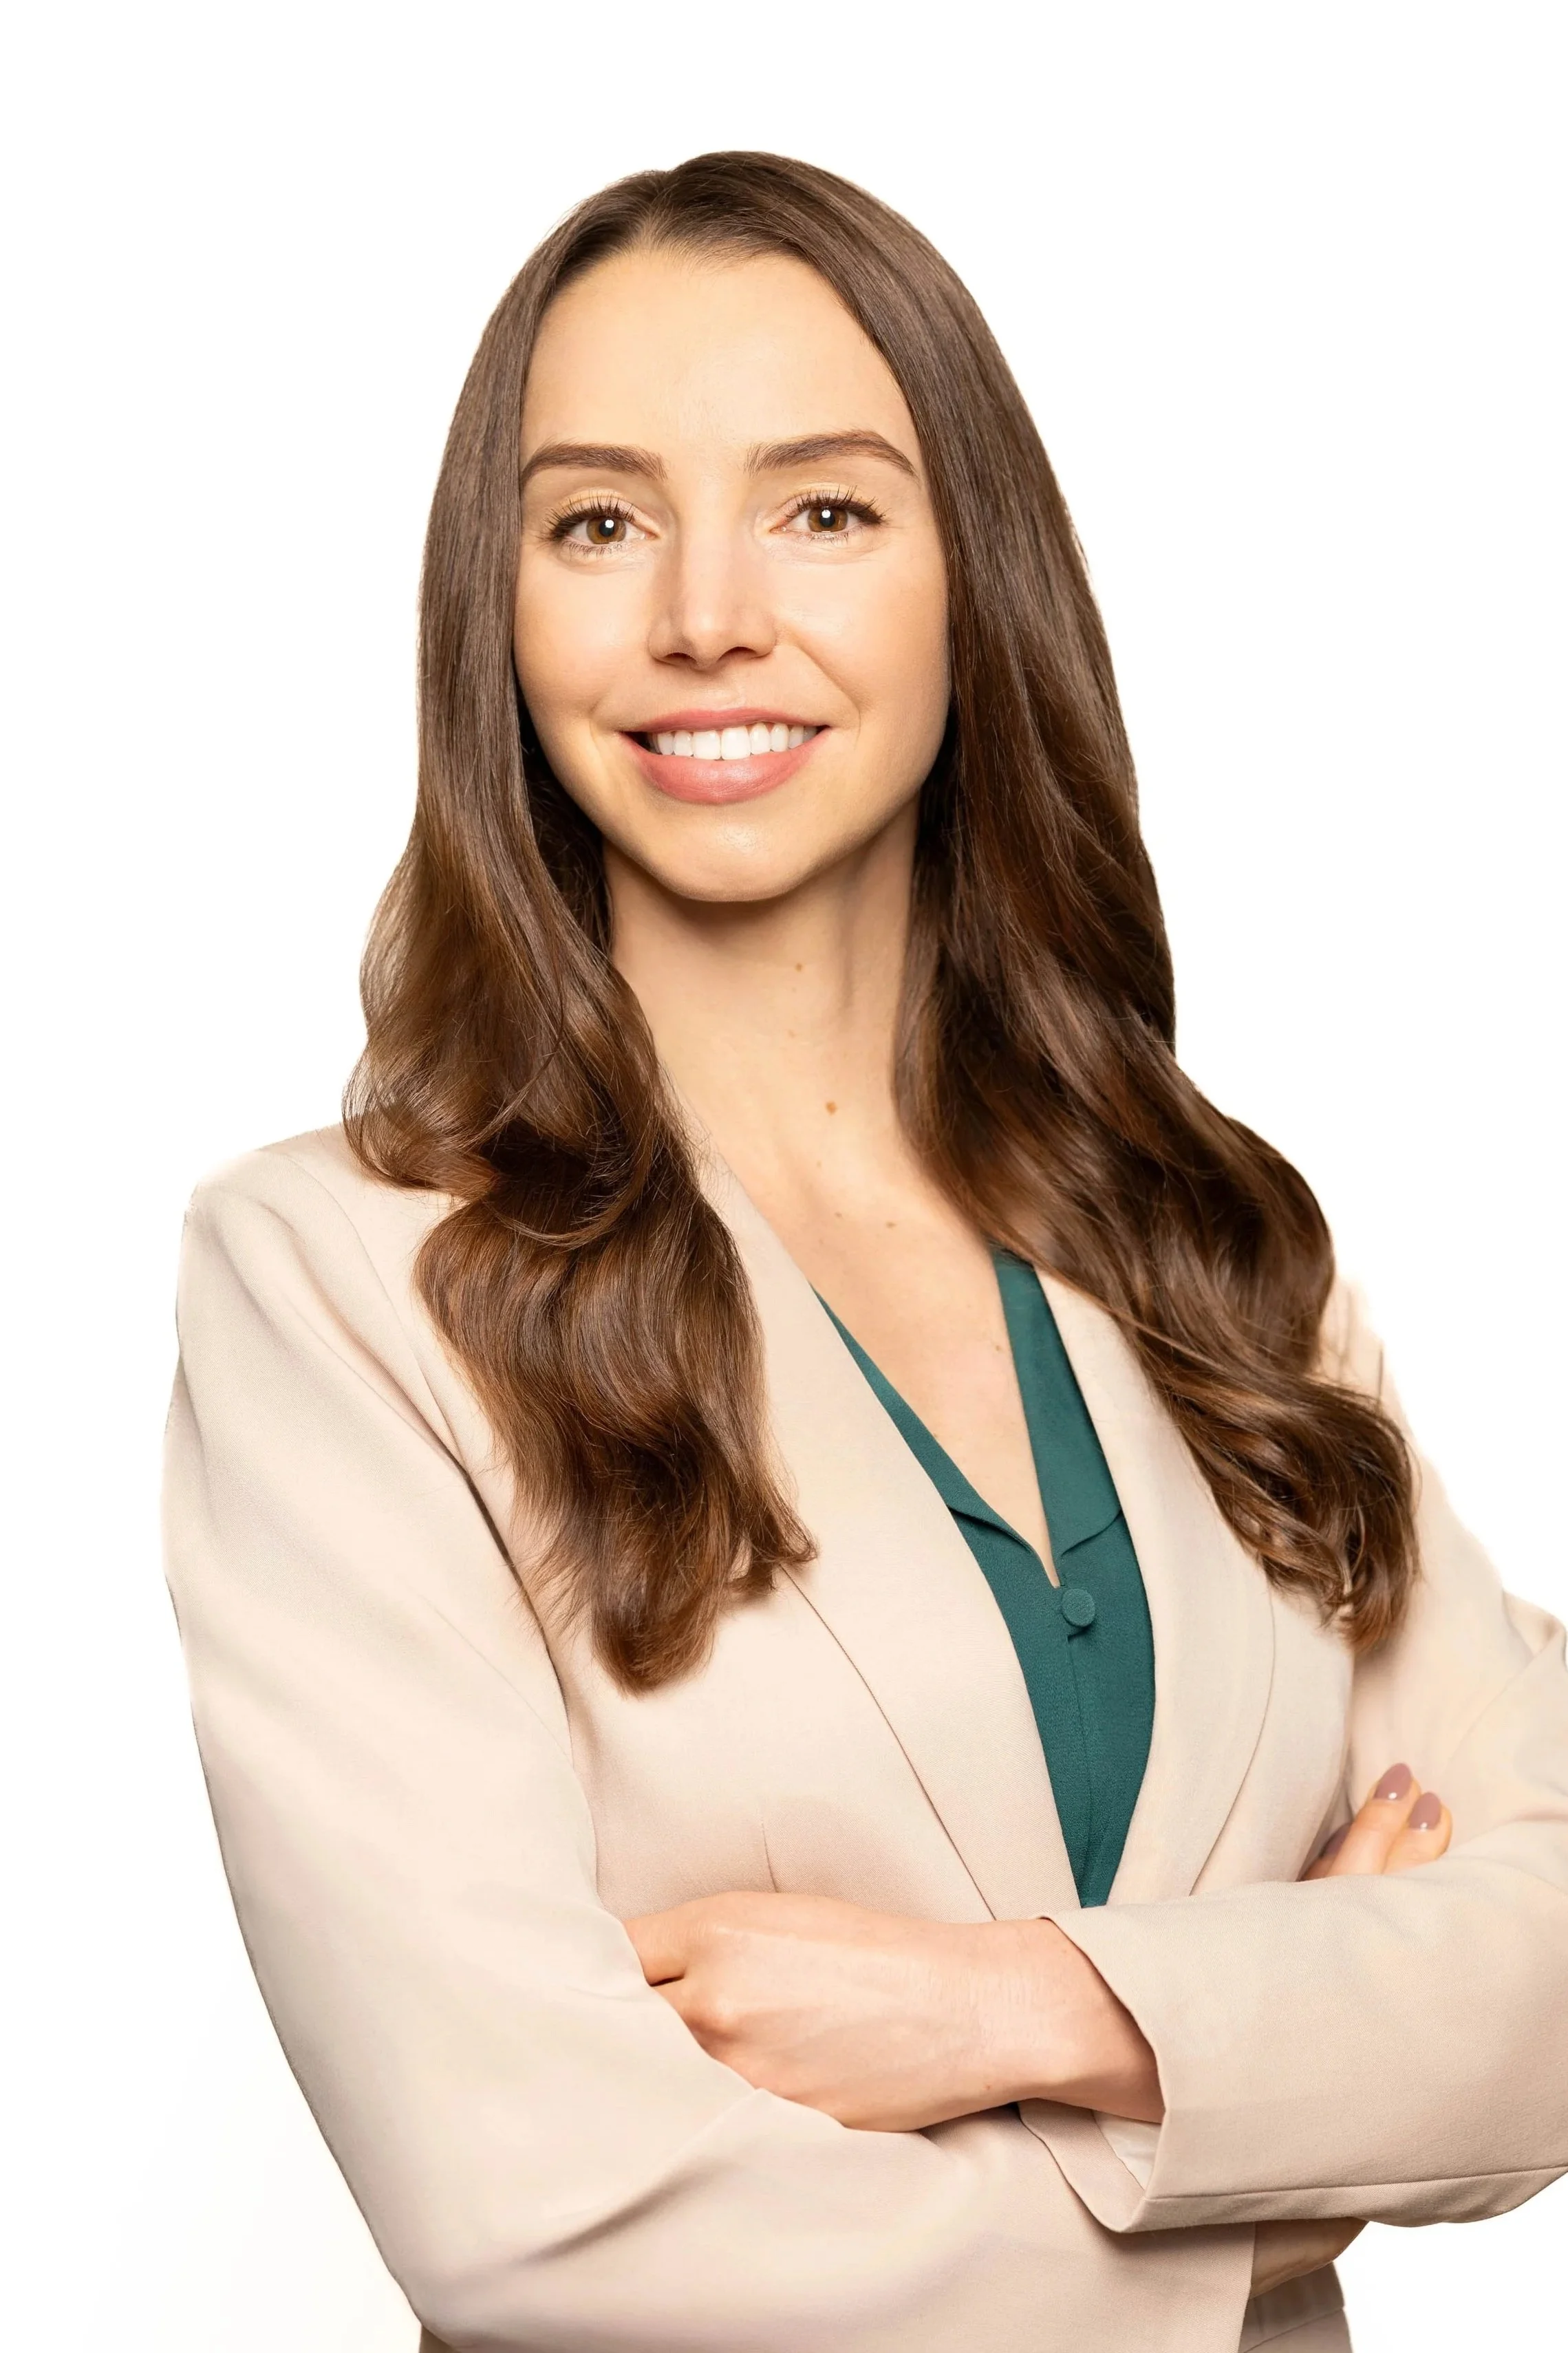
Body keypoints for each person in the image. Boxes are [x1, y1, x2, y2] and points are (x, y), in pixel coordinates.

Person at [162, 153, 1568, 2353]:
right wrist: (1272, 2170)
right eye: (596, 520)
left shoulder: (1208, 1250)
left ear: (964, 583)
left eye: (821, 507)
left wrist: (1022, 2009)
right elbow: (531, 2209)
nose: (704, 611)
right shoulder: (338, 1286)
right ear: (497, 615)